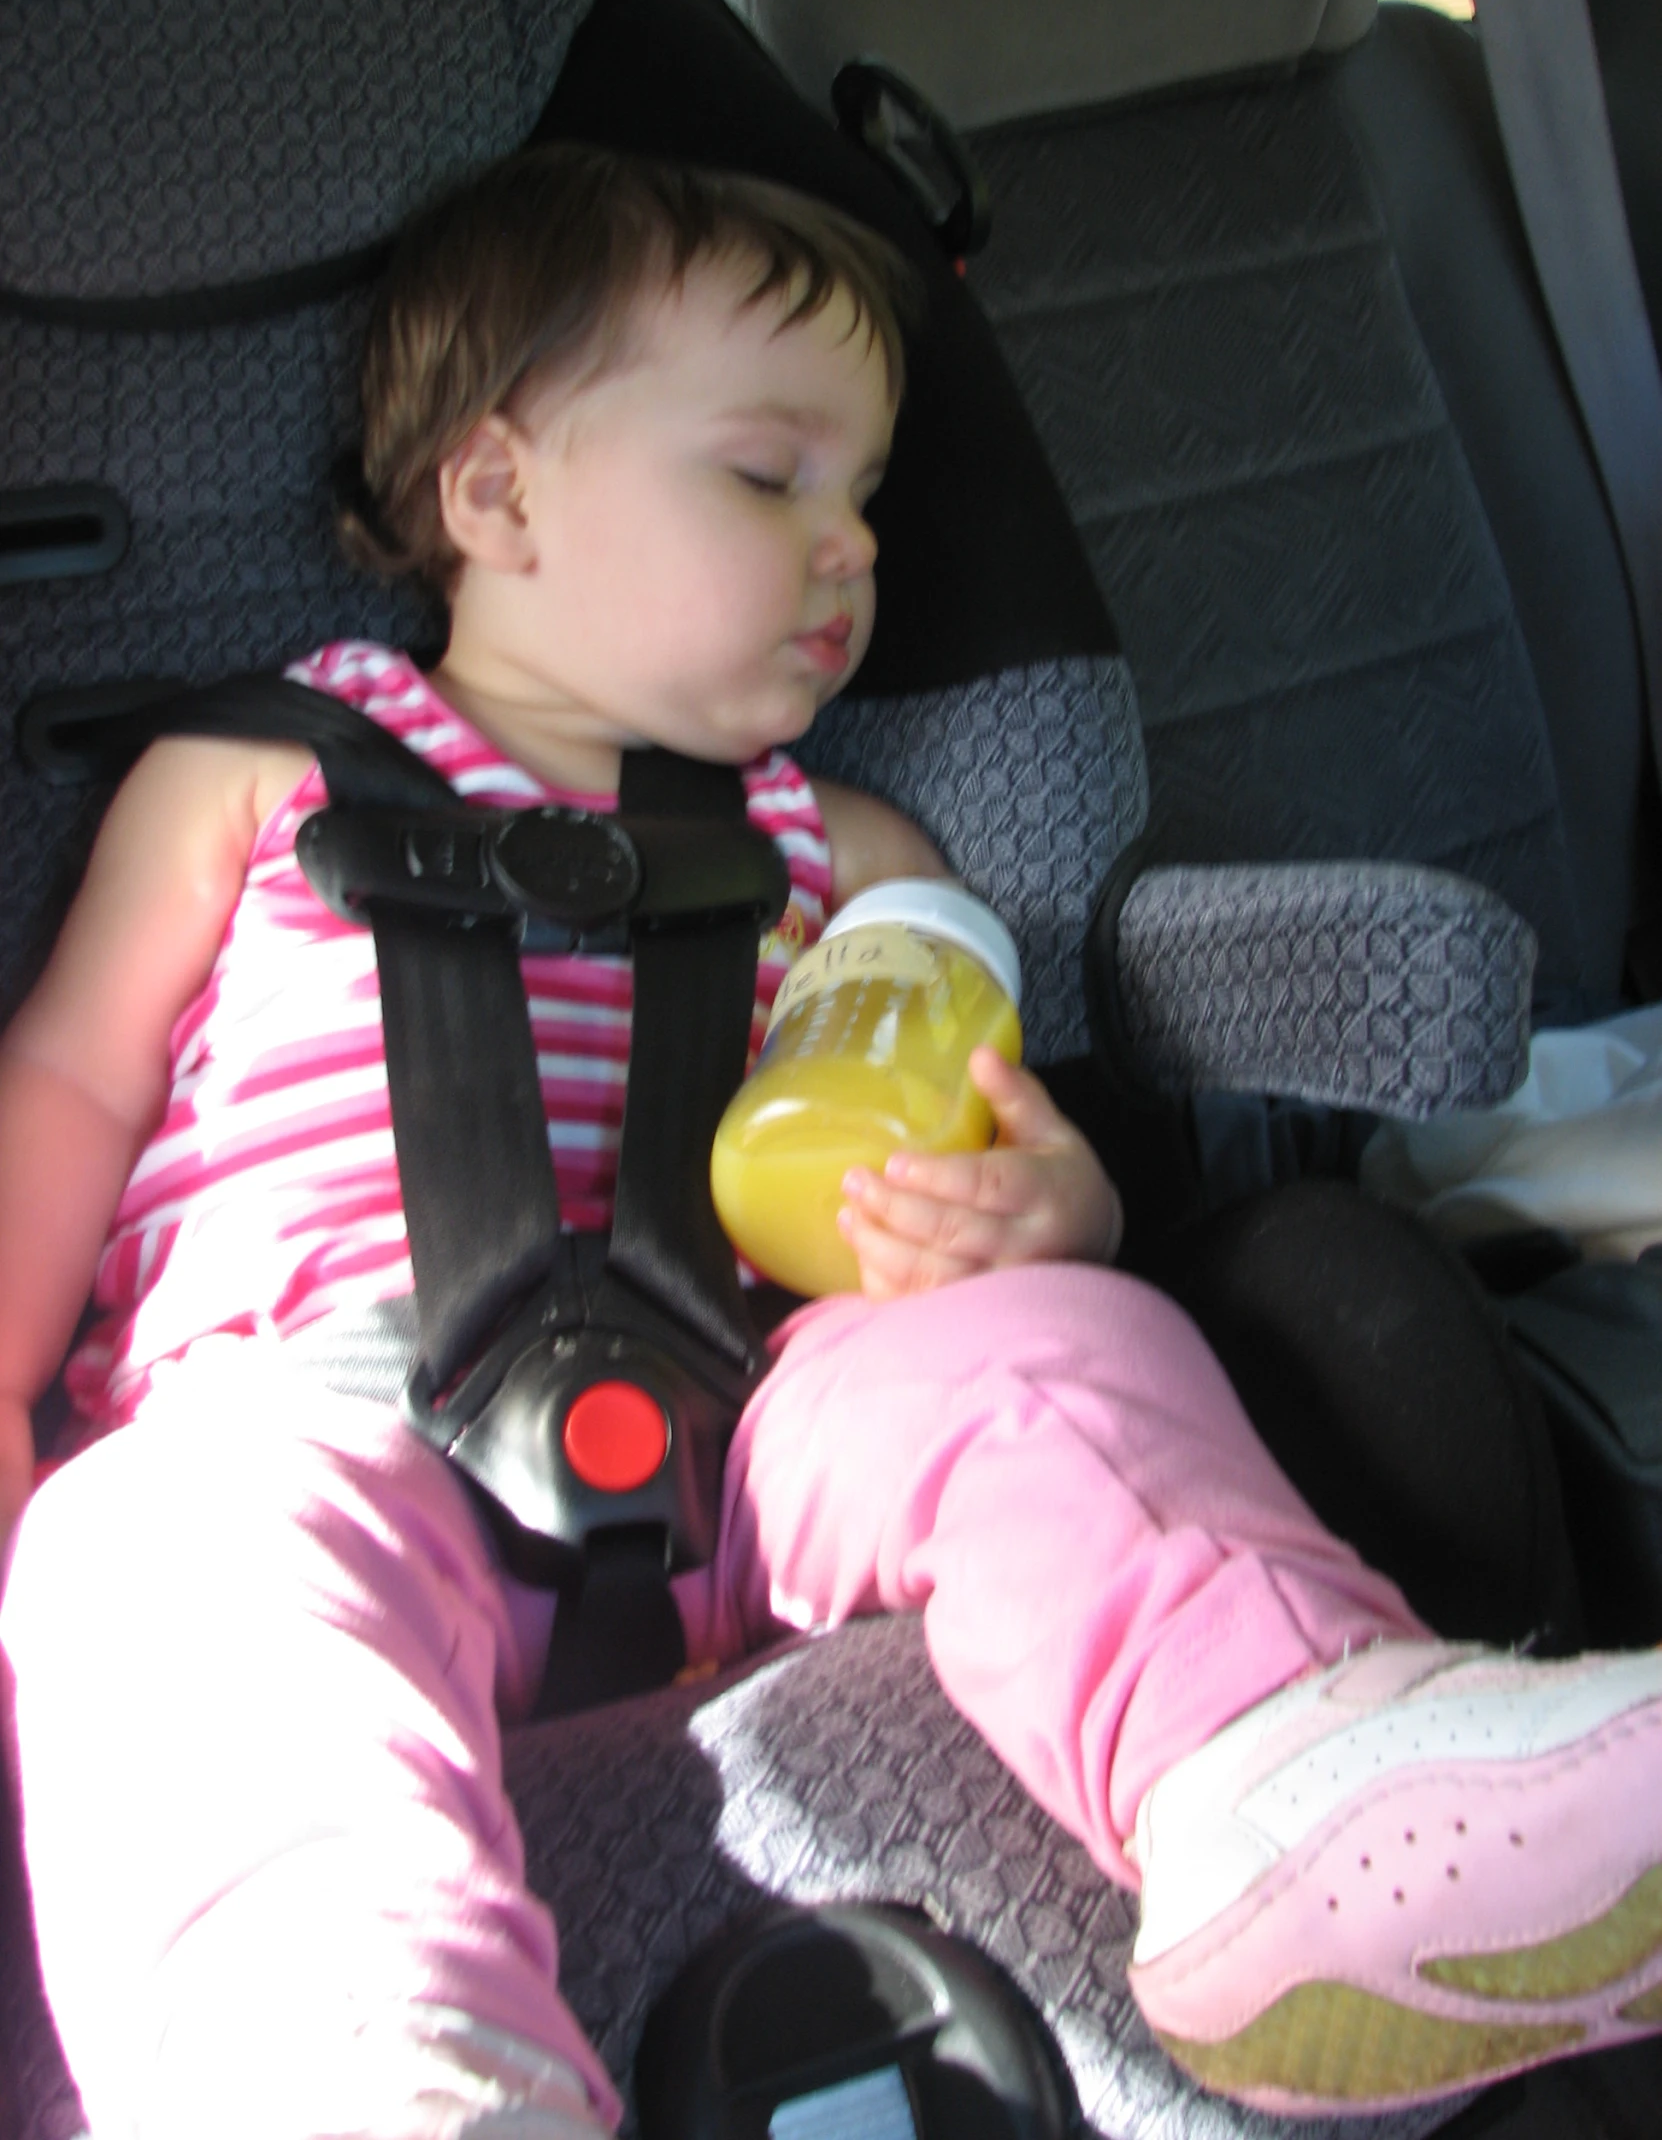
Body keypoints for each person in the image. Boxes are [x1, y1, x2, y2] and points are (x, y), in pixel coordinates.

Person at [0, 143, 1658, 2140]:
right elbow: (71, 1089)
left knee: (1055, 1365)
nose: (852, 543)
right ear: (498, 491)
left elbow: (953, 1137)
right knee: (156, 1562)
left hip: (753, 1424)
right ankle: (369, 2058)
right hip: (313, 1409)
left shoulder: (845, 853)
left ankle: (1293, 1787)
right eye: (769, 475)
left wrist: (1051, 1210)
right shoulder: (252, 772)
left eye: (866, 493)